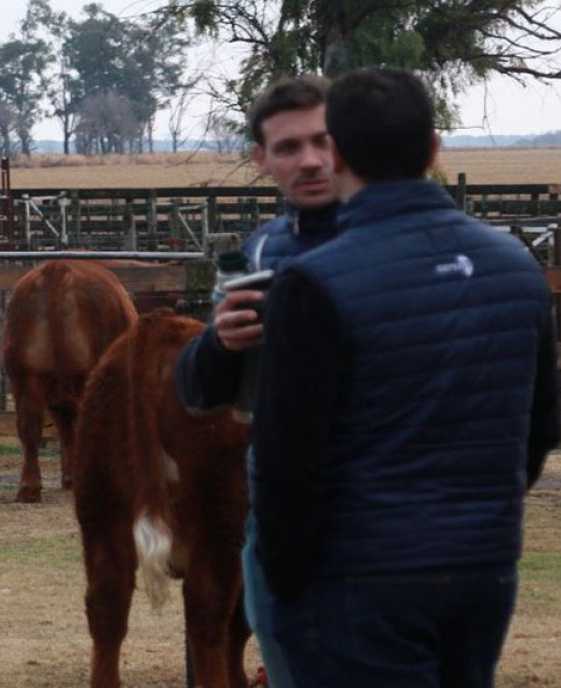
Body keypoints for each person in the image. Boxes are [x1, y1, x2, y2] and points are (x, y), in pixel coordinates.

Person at [250, 66, 561, 687]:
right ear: (435, 148)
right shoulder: (514, 266)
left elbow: (289, 458)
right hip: (484, 565)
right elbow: (542, 426)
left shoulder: (313, 282)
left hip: (358, 573)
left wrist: (285, 583)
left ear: (335, 152)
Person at [173, 74, 341, 688]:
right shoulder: (261, 252)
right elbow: (198, 392)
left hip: (384, 512)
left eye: (324, 141)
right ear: (261, 160)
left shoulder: (400, 244)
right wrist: (220, 341)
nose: (312, 160)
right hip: (276, 515)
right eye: (289, 147)